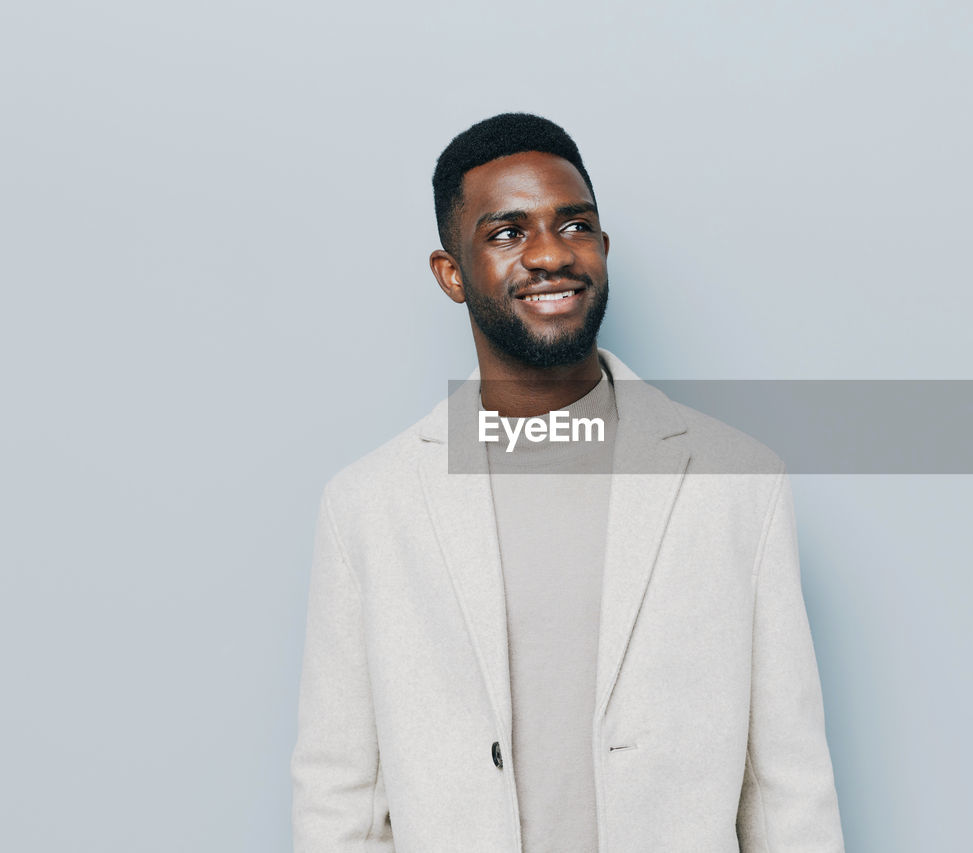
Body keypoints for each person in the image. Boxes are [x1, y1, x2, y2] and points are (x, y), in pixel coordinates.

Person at [290, 112, 844, 852]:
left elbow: (790, 792)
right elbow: (340, 801)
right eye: (507, 232)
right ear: (451, 273)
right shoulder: (367, 507)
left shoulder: (739, 483)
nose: (550, 253)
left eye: (574, 225)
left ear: (604, 248)